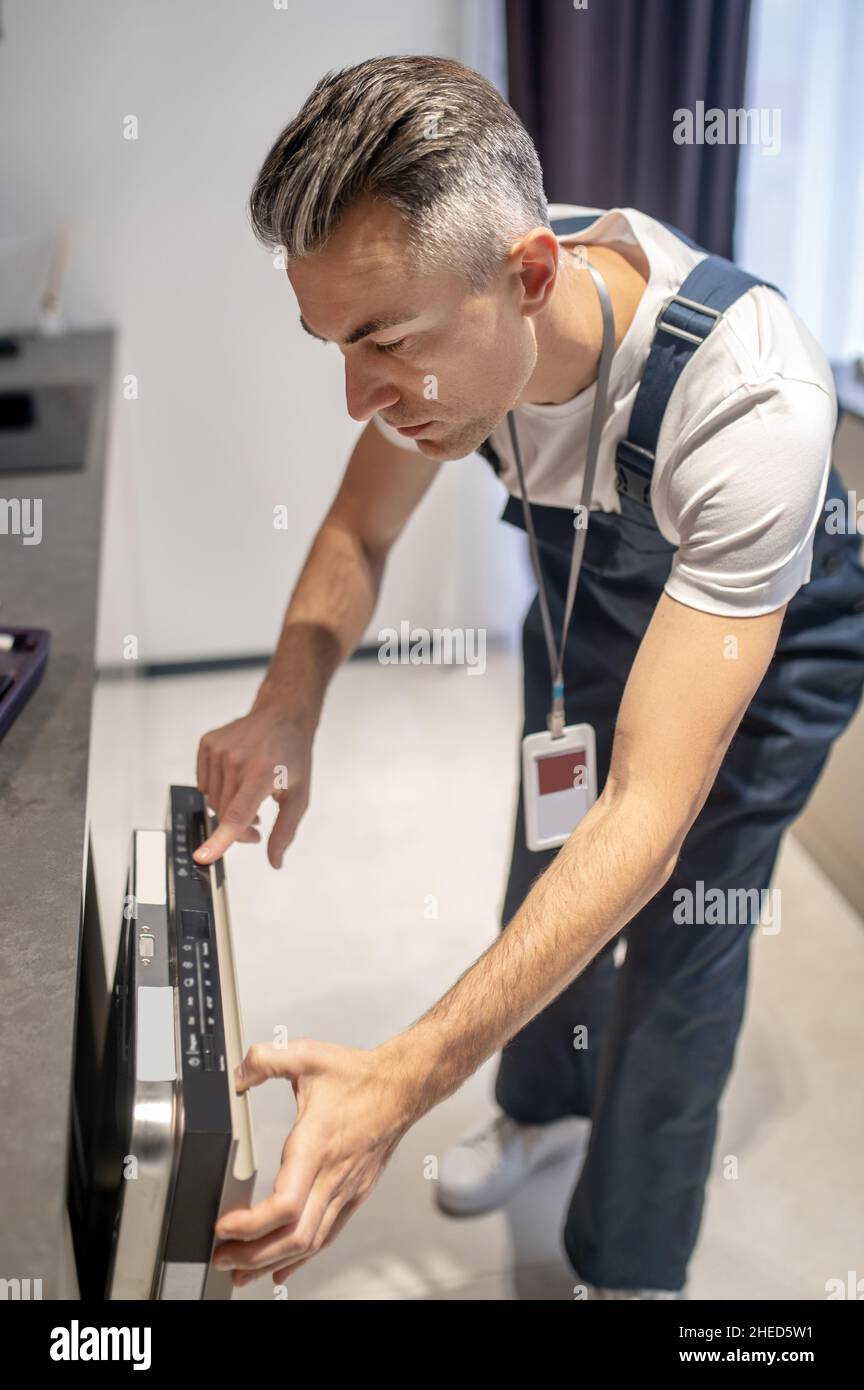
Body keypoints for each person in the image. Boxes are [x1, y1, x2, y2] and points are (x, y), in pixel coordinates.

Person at [193, 55, 864, 1296]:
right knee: (543, 850)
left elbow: (652, 818)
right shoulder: (468, 327)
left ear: (533, 277)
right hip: (595, 604)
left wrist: (401, 1079)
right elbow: (358, 532)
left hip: (773, 641)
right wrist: (288, 700)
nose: (360, 396)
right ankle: (544, 1110)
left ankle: (630, 1268)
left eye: (383, 342)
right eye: (333, 343)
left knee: (680, 939)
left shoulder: (752, 399)